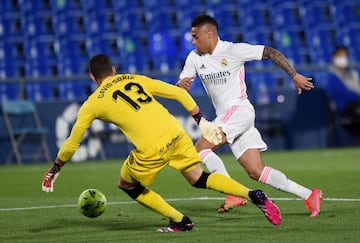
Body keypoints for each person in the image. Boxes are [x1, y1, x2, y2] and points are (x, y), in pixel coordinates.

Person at [42, 54, 282, 233]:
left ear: (92, 77)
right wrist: (200, 119)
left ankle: (180, 221)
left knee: (126, 184)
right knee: (199, 178)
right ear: (114, 70)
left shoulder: (92, 103)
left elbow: (72, 143)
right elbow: (178, 93)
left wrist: (55, 169)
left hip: (150, 148)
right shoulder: (134, 78)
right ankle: (253, 194)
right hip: (175, 133)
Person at [177, 14, 323, 217]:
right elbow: (181, 87)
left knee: (200, 148)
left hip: (239, 110)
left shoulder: (233, 50)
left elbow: (270, 52)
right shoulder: (194, 57)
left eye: (196, 37)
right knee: (256, 171)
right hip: (228, 116)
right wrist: (181, 86)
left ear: (209, 34)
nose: (193, 42)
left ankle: (232, 194)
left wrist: (294, 75)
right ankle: (309, 194)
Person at [326, 46, 360, 141]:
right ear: (334, 58)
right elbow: (342, 95)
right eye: (340, 56)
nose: (343, 59)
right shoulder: (332, 77)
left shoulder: (353, 74)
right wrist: (357, 96)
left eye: (345, 56)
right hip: (344, 109)